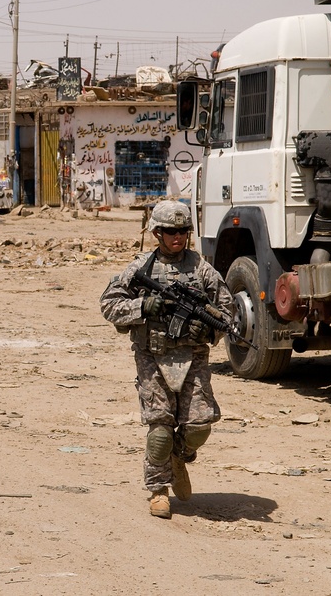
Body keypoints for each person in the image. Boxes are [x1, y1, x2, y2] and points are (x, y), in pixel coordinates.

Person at [99, 200, 234, 519]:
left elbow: (227, 313)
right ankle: (158, 490)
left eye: (183, 231)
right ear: (157, 233)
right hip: (152, 357)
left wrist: (208, 327)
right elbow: (108, 304)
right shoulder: (141, 267)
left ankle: (180, 455)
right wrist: (142, 308)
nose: (178, 237)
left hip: (193, 357)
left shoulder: (201, 268)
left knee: (200, 425)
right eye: (171, 232)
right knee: (160, 429)